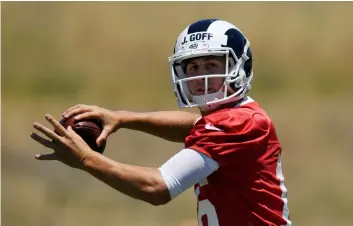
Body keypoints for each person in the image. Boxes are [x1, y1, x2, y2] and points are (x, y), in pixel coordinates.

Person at [31, 19, 291, 226]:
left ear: (238, 67)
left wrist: (86, 159)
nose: (201, 77)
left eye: (211, 65)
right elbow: (195, 125)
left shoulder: (238, 124)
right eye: (193, 68)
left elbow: (157, 186)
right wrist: (123, 118)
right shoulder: (234, 115)